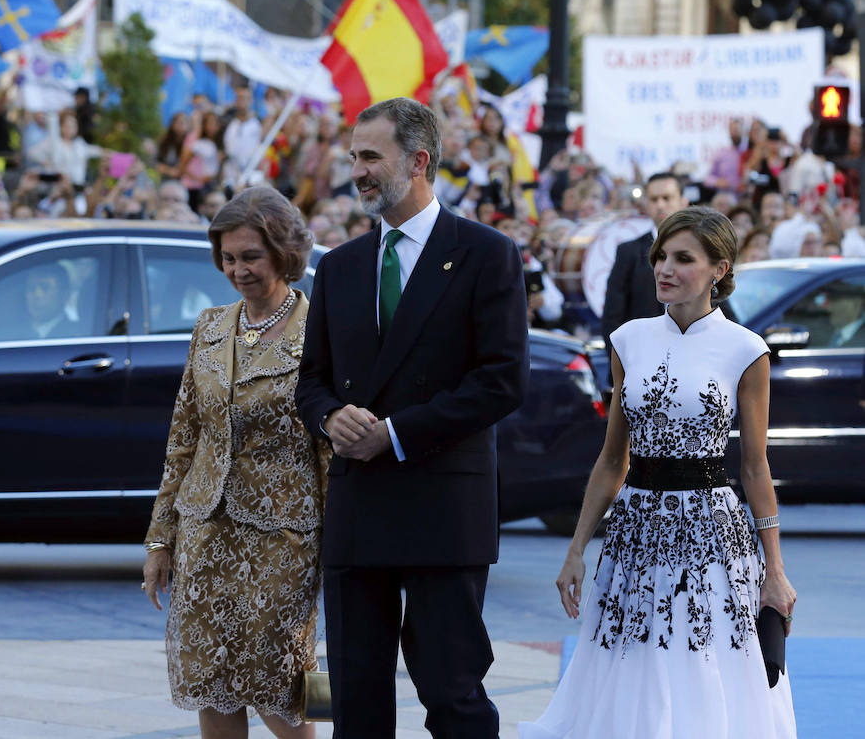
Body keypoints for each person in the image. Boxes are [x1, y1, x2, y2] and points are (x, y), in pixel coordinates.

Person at [295, 97, 529, 738]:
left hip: (442, 510)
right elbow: (310, 379)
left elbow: (503, 380)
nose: (357, 171)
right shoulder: (339, 267)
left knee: (454, 697)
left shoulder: (486, 254)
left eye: (371, 157)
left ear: (419, 161)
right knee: (354, 707)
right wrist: (330, 418)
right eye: (353, 158)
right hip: (357, 512)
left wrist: (394, 434)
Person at [520, 207, 797, 739]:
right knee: (633, 671)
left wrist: (775, 569)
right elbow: (611, 460)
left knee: (702, 668)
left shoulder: (746, 349)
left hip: (713, 536)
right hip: (634, 533)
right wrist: (576, 549)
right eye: (660, 258)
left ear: (719, 268)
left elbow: (755, 467)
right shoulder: (628, 339)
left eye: (683, 259)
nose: (664, 269)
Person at [142, 187, 327, 739]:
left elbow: (330, 448)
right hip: (205, 532)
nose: (238, 270)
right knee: (211, 679)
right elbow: (184, 439)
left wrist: (343, 545)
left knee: (285, 686)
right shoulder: (211, 325)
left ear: (284, 252)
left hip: (285, 540)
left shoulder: (319, 329)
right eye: (228, 258)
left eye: (251, 256)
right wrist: (160, 540)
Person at [601, 172, 687, 353]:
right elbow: (612, 316)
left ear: (683, 201)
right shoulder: (628, 252)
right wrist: (623, 365)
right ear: (646, 204)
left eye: (667, 198)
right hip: (640, 357)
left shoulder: (701, 251)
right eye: (654, 199)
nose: (660, 204)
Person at [25, 263, 77, 338]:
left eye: (45, 287)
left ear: (65, 294)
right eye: (31, 288)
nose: (37, 295)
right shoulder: (10, 333)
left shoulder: (76, 336)